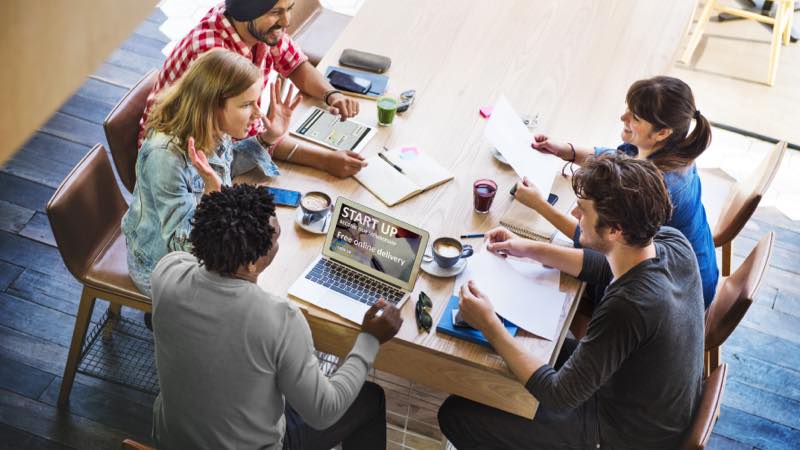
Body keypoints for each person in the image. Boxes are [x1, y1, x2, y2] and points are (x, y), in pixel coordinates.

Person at [438, 154, 705, 449]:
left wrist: (489, 324)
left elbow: (559, 394)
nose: (575, 214)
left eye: (584, 210)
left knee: (456, 413)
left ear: (615, 230)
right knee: (533, 343)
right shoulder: (671, 241)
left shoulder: (629, 305)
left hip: (618, 435)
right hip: (645, 400)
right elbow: (602, 265)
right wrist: (526, 248)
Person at [150, 183, 403, 449]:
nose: (278, 242)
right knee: (370, 399)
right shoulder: (280, 319)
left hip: (171, 442)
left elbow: (196, 261)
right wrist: (369, 340)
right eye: (276, 237)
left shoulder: (167, 272)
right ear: (251, 263)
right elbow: (323, 412)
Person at [514, 76, 718, 307]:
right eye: (628, 109)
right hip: (696, 269)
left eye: (635, 117)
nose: (623, 118)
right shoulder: (674, 150)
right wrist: (567, 151)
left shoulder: (657, 186)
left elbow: (599, 240)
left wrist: (539, 205)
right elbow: (618, 158)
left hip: (678, 293)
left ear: (662, 132)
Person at [122, 48, 298, 296]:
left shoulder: (214, 128)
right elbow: (178, 246)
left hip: (209, 243)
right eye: (247, 105)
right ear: (213, 106)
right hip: (160, 267)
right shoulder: (164, 157)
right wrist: (211, 201)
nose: (258, 113)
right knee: (260, 288)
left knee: (272, 255)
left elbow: (228, 162)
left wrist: (268, 138)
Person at [138, 0, 367, 178]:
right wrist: (325, 160)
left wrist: (331, 94)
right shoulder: (216, 56)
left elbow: (295, 63)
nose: (286, 21)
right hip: (182, 169)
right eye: (276, 12)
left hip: (220, 151)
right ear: (248, 10)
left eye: (289, 8)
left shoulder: (257, 28)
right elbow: (245, 140)